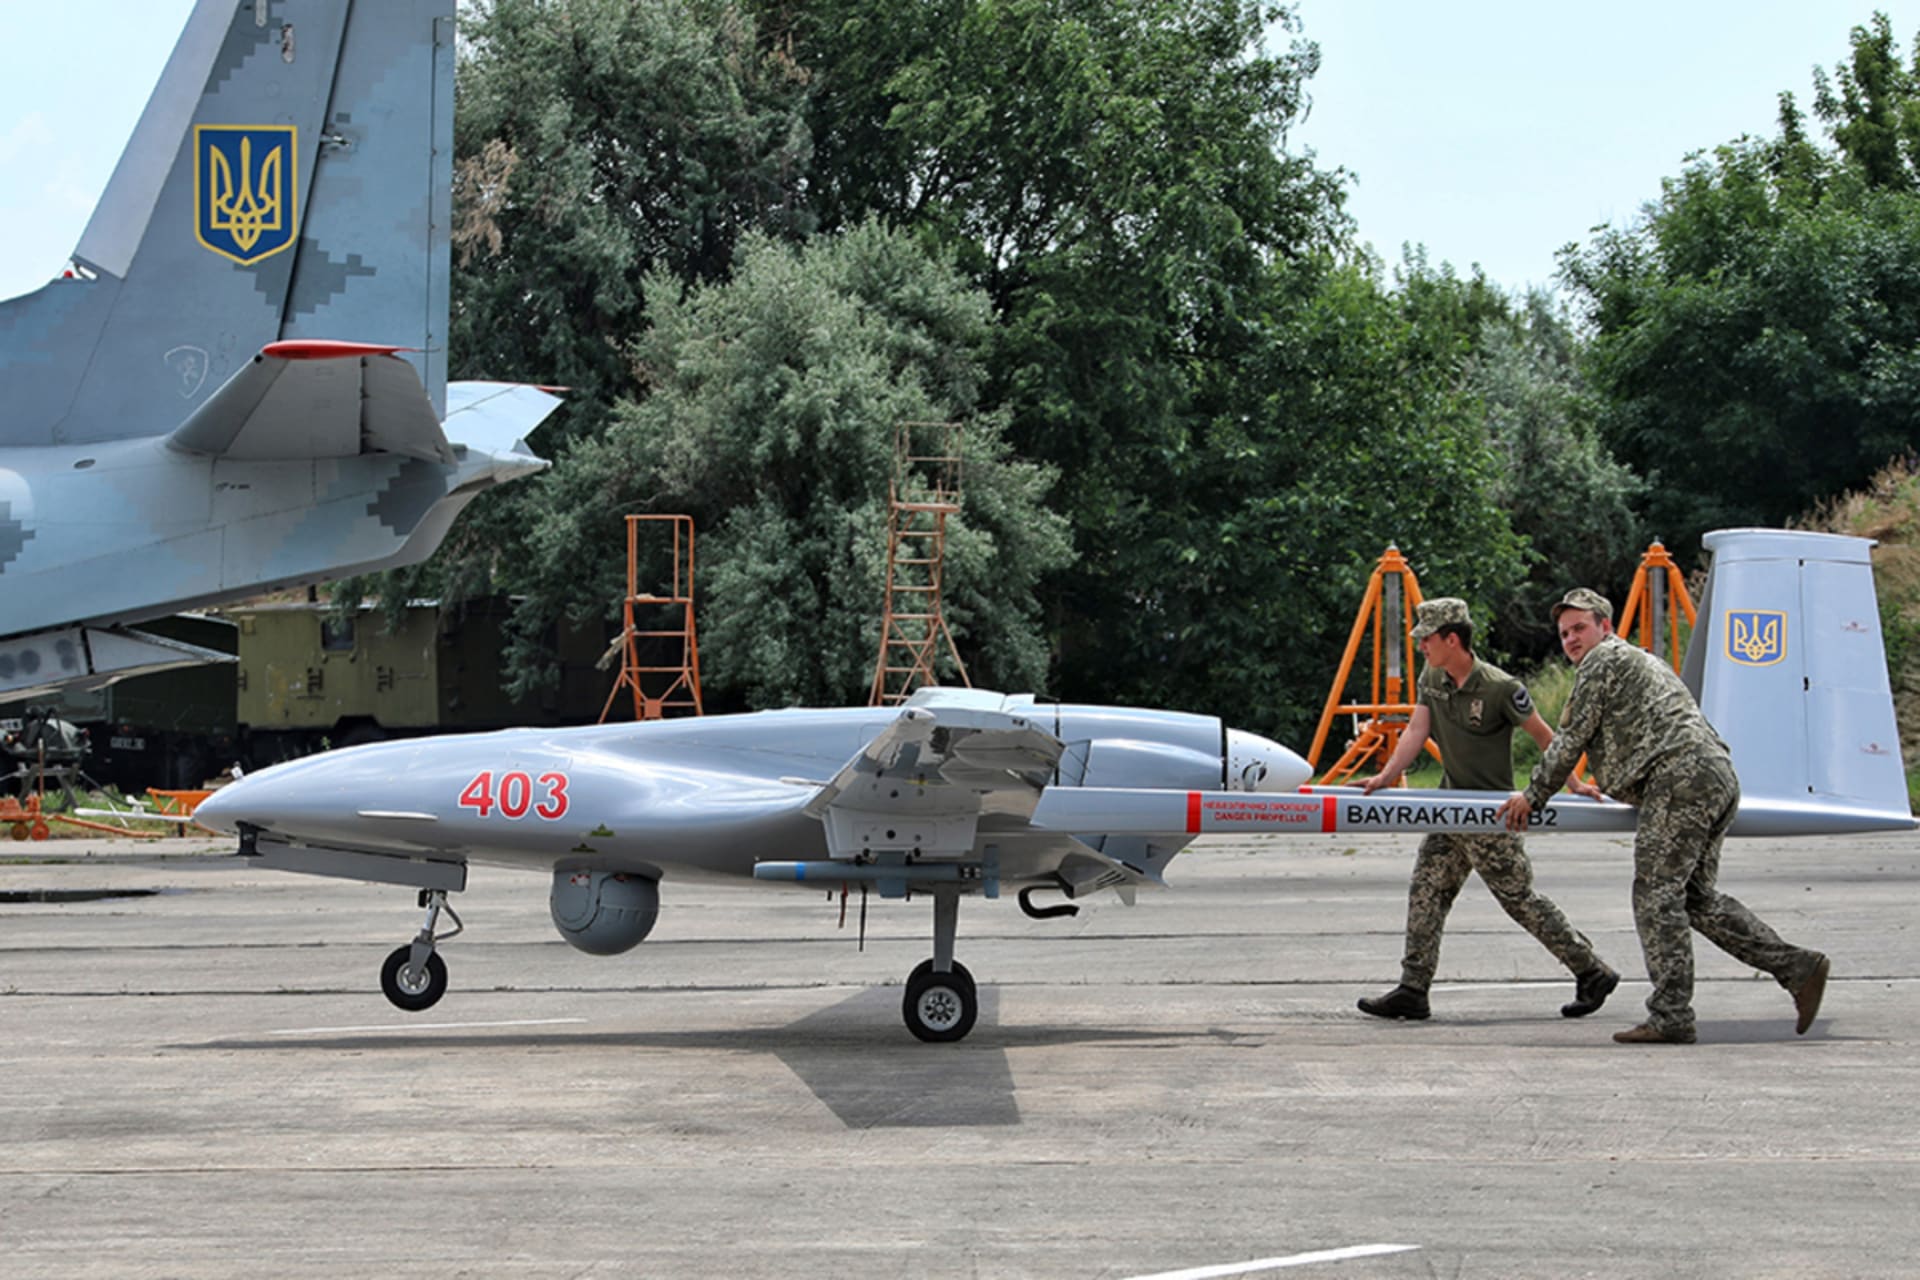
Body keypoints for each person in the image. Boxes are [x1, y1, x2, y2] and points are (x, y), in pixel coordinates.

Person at [1496, 588, 1830, 1044]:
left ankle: (1671, 1015)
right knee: (1695, 899)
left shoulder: (1603, 660)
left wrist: (1531, 796)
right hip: (1712, 776)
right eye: (1564, 633)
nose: (1571, 639)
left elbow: (1571, 738)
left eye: (1579, 628)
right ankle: (1798, 967)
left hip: (1679, 779)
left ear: (1605, 627)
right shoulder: (1641, 661)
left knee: (1655, 894)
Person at [1355, 598, 1618, 1022]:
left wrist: (1574, 783)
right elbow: (1417, 729)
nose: (1422, 647)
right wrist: (1385, 777)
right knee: (1427, 891)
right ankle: (1413, 989)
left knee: (1520, 900)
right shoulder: (1433, 676)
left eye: (1427, 639)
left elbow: (1544, 735)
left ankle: (1592, 969)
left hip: (1491, 817)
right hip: (1449, 810)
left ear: (1452, 639)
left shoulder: (1500, 687)